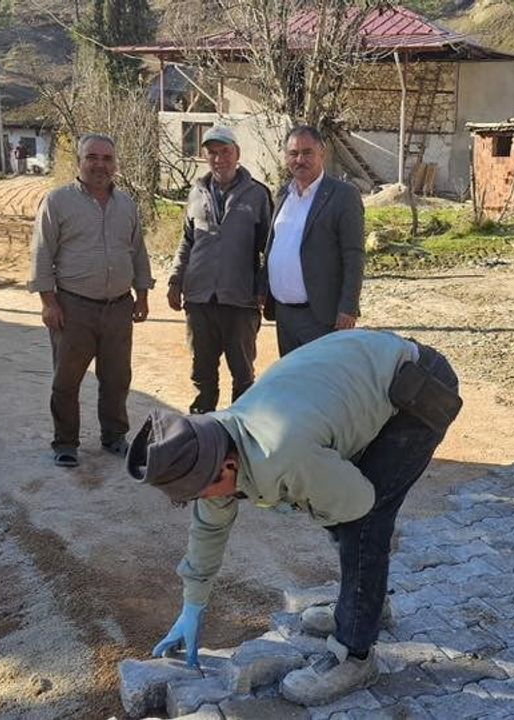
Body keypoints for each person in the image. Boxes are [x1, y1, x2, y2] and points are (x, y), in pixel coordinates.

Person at [128, 329, 462, 706]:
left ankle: (355, 654)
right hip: (363, 370)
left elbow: (358, 504)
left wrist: (309, 499)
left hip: (416, 390)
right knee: (340, 507)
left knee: (361, 526)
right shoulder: (216, 443)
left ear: (225, 468)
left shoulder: (282, 454)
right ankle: (365, 606)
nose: (200, 502)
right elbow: (209, 526)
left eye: (199, 493)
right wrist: (193, 605)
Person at [29, 133, 154, 467]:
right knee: (66, 380)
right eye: (92, 157)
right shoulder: (57, 202)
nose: (100, 164)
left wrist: (142, 294)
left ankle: (114, 436)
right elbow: (42, 254)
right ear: (79, 162)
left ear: (115, 163)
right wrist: (48, 302)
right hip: (73, 308)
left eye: (107, 158)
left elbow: (138, 251)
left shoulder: (126, 204)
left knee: (116, 378)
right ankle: (66, 442)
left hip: (118, 307)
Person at [167, 126, 273, 415]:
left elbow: (270, 247)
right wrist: (176, 280)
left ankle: (239, 432)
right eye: (212, 152)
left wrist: (263, 287)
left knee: (242, 373)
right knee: (202, 371)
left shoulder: (257, 195)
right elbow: (187, 241)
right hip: (200, 299)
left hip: (240, 299)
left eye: (225, 151)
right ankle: (203, 427)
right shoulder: (196, 193)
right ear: (205, 157)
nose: (219, 158)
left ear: (237, 154)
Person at [262, 126, 365, 356]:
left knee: (321, 384)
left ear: (322, 153)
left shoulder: (343, 195)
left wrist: (348, 308)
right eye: (293, 153)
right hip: (284, 315)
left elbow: (354, 254)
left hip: (321, 316)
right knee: (293, 382)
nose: (300, 159)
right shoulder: (283, 194)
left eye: (307, 153)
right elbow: (273, 245)